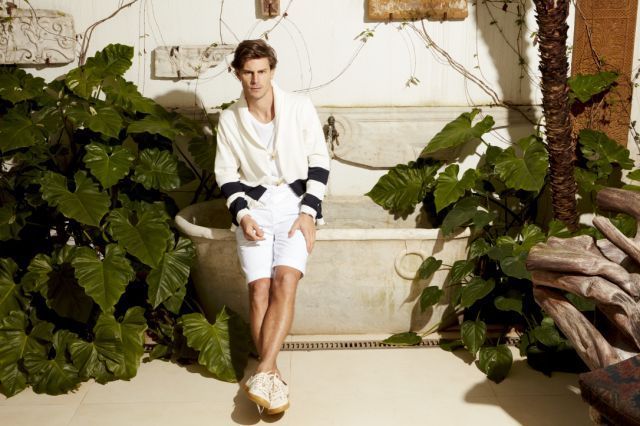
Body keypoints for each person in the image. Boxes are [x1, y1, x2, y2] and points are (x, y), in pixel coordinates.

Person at [214, 39, 330, 415]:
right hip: (254, 209)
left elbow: (319, 160)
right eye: (248, 72)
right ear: (237, 73)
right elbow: (226, 173)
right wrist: (243, 215)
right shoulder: (230, 119)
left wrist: (309, 211)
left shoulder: (299, 106)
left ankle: (262, 371)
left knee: (286, 279)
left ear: (272, 71)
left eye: (262, 71)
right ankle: (272, 376)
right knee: (259, 288)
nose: (255, 80)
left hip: (296, 207)